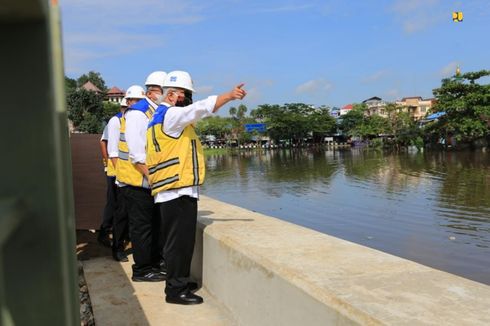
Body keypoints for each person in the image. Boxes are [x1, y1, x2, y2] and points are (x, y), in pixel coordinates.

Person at [146, 70, 246, 304]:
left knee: (180, 242)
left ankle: (178, 280)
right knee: (178, 243)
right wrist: (229, 96)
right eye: (185, 94)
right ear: (172, 95)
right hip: (175, 189)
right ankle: (175, 291)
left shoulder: (160, 117)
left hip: (174, 189)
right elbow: (200, 108)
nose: (187, 99)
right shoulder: (171, 116)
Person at [115, 72, 167, 282]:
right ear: (152, 92)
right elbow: (137, 154)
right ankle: (142, 269)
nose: (168, 96)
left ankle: (153, 263)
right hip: (137, 181)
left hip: (145, 182)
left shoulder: (152, 111)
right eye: (165, 91)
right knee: (142, 227)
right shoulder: (139, 113)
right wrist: (152, 178)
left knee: (152, 225)